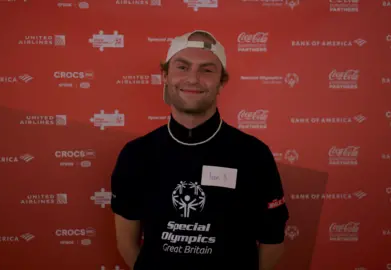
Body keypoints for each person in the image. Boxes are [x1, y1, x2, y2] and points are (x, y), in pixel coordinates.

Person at [111, 30, 289, 270]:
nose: (192, 79)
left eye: (206, 70)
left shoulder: (253, 154)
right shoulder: (136, 154)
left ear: (221, 82)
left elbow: (273, 240)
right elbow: (126, 242)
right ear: (165, 75)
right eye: (182, 67)